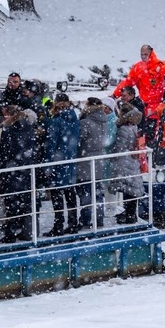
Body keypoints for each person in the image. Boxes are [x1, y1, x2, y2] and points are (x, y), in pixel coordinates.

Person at [112, 45, 165, 148]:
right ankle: (145, 158)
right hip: (143, 107)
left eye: (146, 54)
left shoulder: (161, 67)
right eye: (142, 54)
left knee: (154, 135)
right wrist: (115, 94)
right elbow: (128, 82)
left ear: (151, 53)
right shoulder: (138, 68)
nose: (143, 56)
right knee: (140, 135)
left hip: (157, 108)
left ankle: (154, 157)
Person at [0, 105, 36, 243]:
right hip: (26, 172)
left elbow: (3, 154)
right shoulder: (30, 131)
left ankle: (10, 234)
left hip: (12, 172)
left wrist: (0, 173)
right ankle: (29, 231)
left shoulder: (8, 131)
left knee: (11, 204)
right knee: (26, 203)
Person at [44, 93, 80, 236]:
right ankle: (73, 223)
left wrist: (48, 164)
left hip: (57, 162)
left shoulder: (56, 121)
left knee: (57, 194)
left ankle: (58, 225)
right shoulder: (74, 119)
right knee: (70, 193)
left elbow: (51, 144)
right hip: (70, 160)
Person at [109, 103, 144, 225]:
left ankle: (129, 215)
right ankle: (131, 214)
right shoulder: (133, 127)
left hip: (125, 162)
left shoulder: (123, 129)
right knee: (132, 189)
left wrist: (111, 153)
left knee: (128, 190)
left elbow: (119, 147)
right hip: (132, 161)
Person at [76, 97, 108, 229]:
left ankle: (85, 220)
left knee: (85, 193)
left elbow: (79, 140)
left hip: (86, 162)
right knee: (97, 193)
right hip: (99, 161)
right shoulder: (103, 121)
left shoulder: (86, 122)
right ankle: (99, 219)